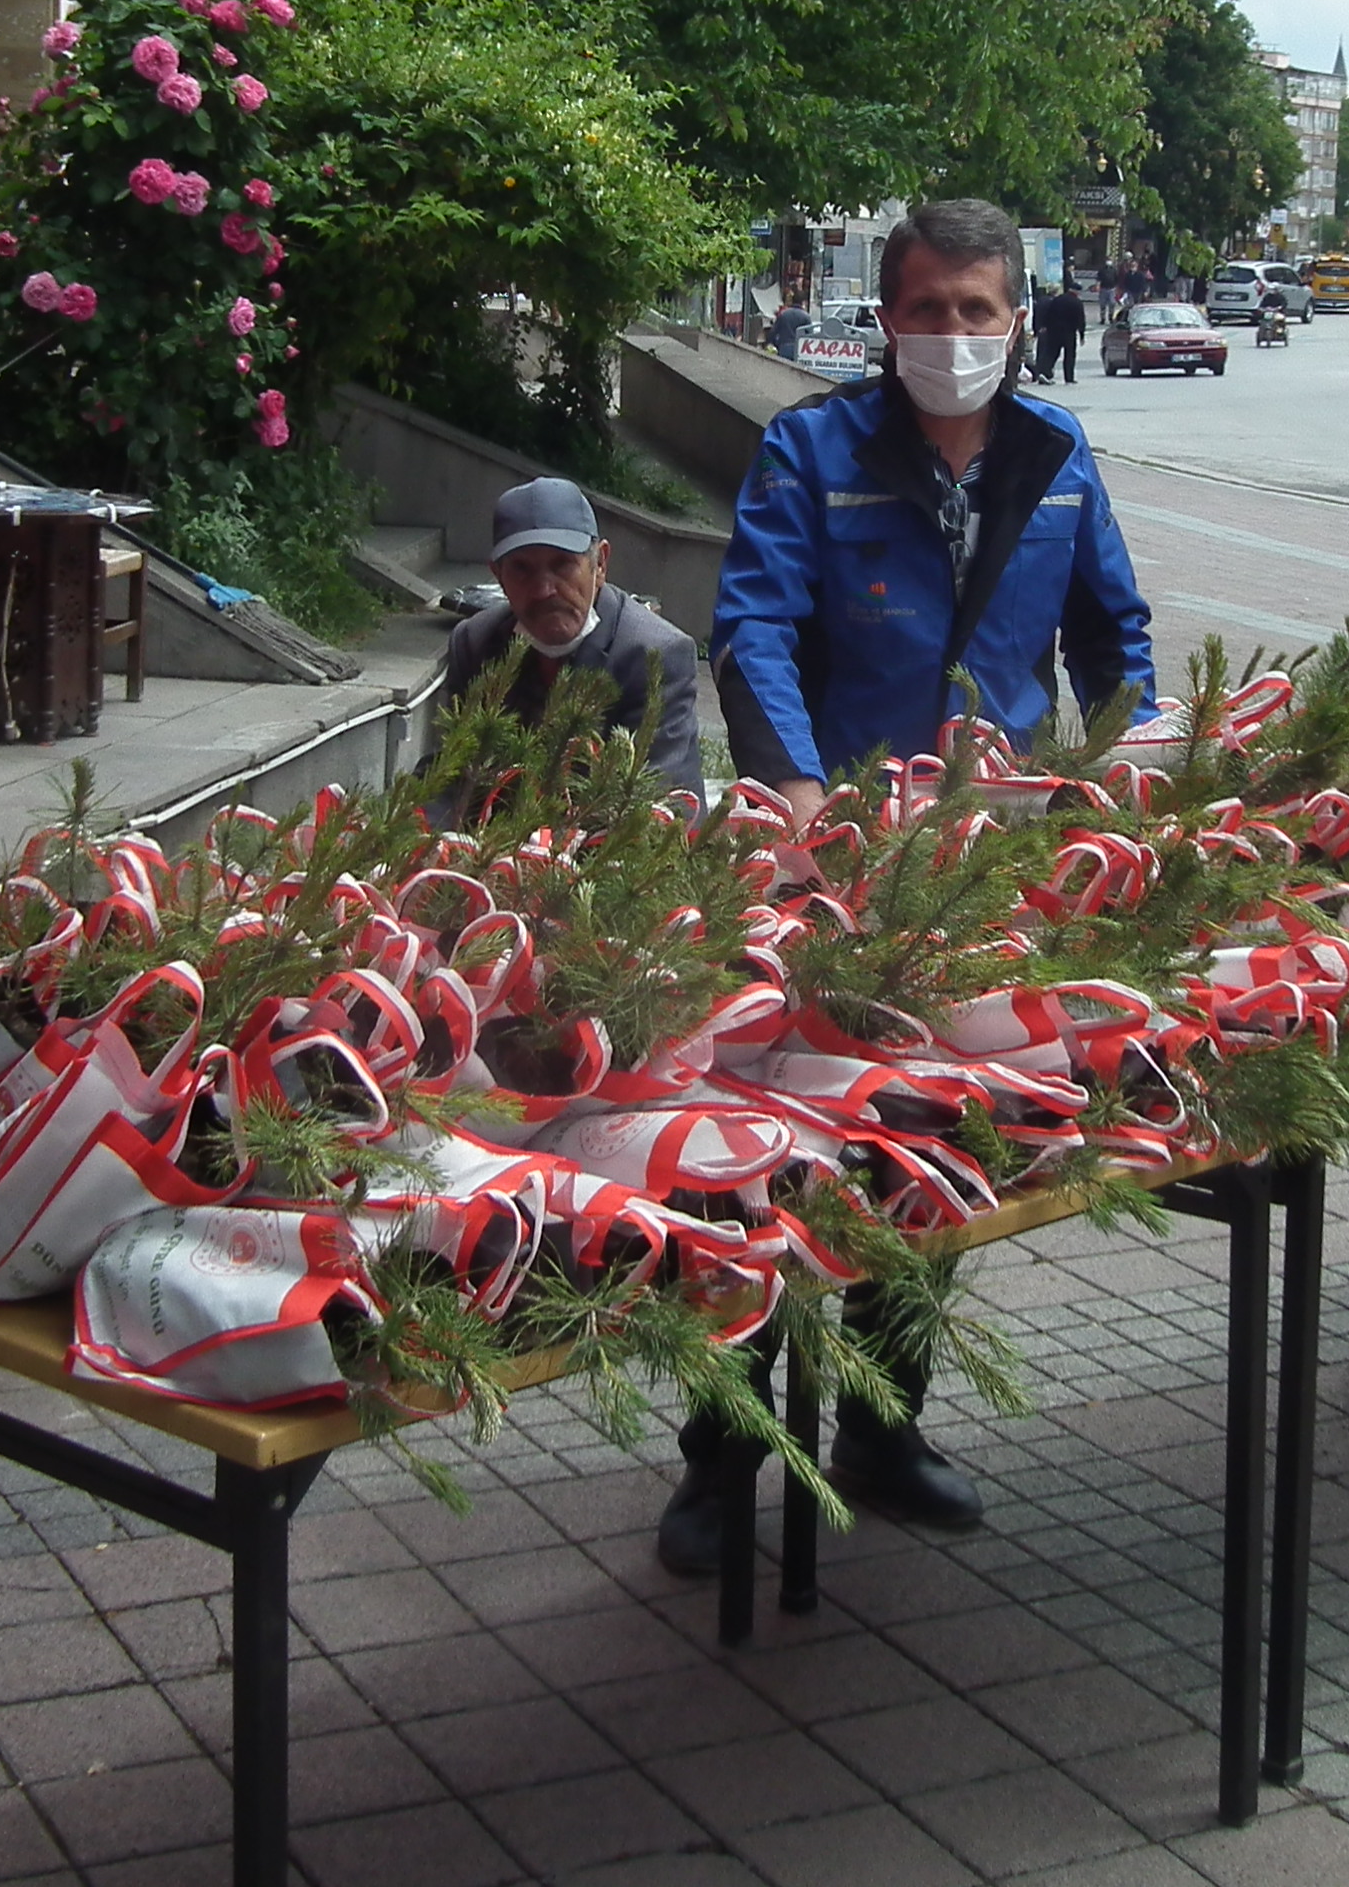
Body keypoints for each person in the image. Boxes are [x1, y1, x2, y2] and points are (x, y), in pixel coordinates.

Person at [678, 198, 1156, 1570]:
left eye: (978, 310)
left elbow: (1115, 640)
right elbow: (753, 624)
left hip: (978, 861)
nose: (952, 334)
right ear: (885, 318)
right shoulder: (811, 448)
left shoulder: (1061, 457)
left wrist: (1111, 767)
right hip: (821, 857)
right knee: (761, 1160)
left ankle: (885, 1426)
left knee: (927, 1149)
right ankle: (724, 1455)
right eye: (927, 309)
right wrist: (796, 784)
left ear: (1020, 318)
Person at [432, 476, 701, 800]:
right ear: (498, 576)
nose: (544, 590)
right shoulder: (473, 643)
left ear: (600, 564)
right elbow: (447, 775)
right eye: (522, 569)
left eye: (562, 565)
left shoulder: (656, 655)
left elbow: (653, 802)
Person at [1032, 276, 1087, 386]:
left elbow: (1049, 314)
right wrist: (1081, 335)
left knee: (1051, 353)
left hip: (1054, 331)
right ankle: (1069, 378)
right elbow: (1080, 320)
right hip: (1069, 333)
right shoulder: (1077, 303)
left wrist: (1046, 326)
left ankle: (1045, 372)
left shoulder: (1058, 300)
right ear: (1077, 292)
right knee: (1069, 355)